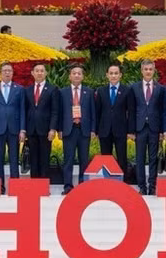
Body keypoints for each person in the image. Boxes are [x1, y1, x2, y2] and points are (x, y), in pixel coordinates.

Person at [0, 62, 26, 195]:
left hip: (14, 129)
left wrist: (22, 129)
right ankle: (0, 187)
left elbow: (22, 110)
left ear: (12, 73)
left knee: (14, 159)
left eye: (10, 70)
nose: (7, 73)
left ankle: (15, 187)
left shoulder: (19, 89)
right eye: (5, 71)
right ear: (0, 73)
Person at [59, 63, 96, 194]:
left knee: (84, 160)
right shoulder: (62, 92)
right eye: (74, 73)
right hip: (69, 130)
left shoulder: (89, 92)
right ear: (70, 76)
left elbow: (93, 112)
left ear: (83, 76)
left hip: (84, 130)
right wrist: (60, 129)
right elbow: (60, 112)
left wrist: (93, 129)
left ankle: (82, 186)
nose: (76, 75)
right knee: (68, 160)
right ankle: (68, 186)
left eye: (79, 73)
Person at [95, 62, 135, 178]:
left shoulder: (127, 90)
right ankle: (107, 181)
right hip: (104, 130)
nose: (113, 76)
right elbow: (97, 112)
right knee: (106, 158)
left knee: (122, 158)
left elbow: (131, 112)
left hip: (121, 130)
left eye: (116, 73)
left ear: (120, 75)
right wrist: (96, 130)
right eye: (111, 73)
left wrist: (131, 131)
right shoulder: (101, 91)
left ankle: (123, 181)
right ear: (107, 75)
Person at [130, 59, 164, 195]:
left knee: (153, 158)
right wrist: (131, 130)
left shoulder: (160, 88)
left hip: (154, 128)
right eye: (146, 69)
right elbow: (131, 110)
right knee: (140, 159)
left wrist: (162, 131)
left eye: (150, 69)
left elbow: (162, 111)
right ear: (141, 71)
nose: (148, 72)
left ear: (154, 70)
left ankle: (152, 186)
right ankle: (142, 187)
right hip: (140, 128)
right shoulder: (134, 87)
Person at [23, 62, 59, 179]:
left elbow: (55, 111)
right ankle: (34, 184)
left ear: (46, 73)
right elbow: (24, 110)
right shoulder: (27, 90)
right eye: (37, 71)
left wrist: (52, 129)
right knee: (33, 159)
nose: (39, 73)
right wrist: (23, 129)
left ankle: (44, 183)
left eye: (42, 71)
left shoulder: (52, 89)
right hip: (31, 129)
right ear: (32, 73)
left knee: (44, 158)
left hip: (46, 130)